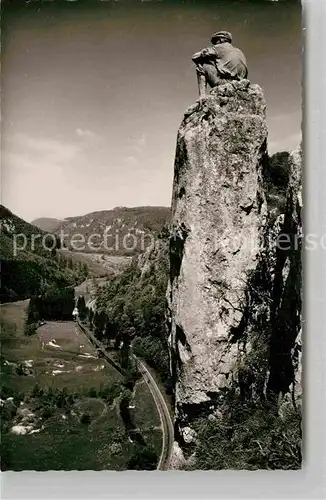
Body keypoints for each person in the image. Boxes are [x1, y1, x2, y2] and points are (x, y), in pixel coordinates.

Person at [192, 31, 248, 101]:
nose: (215, 44)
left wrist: (202, 60)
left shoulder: (219, 47)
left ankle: (202, 96)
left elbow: (194, 57)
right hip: (240, 85)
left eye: (216, 41)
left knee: (202, 64)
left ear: (221, 39)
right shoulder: (238, 51)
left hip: (226, 84)